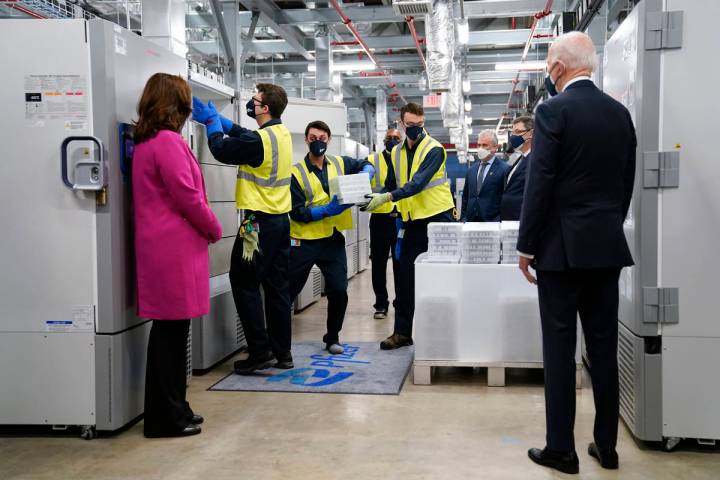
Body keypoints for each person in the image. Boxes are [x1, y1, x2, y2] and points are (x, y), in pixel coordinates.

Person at [517, 31, 636, 475]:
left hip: (560, 253)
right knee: (603, 349)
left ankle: (561, 449)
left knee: (560, 349)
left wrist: (526, 246)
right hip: (606, 248)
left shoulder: (552, 110)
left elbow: (540, 183)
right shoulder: (619, 114)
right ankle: (607, 445)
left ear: (559, 67)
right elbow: (626, 181)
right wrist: (606, 225)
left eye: (549, 62)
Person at [132, 73, 223, 438]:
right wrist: (215, 227)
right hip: (173, 248)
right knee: (170, 335)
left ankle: (175, 407)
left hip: (163, 246)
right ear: (176, 104)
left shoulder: (146, 141)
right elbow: (188, 195)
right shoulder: (167, 142)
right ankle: (164, 417)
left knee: (171, 332)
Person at [192, 84, 294, 375]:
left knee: (243, 280)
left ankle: (260, 352)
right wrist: (227, 123)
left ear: (265, 108)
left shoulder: (260, 140)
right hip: (279, 222)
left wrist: (213, 125)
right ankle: (282, 352)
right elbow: (249, 138)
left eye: (256, 100)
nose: (252, 103)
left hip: (256, 224)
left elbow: (222, 150)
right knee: (277, 287)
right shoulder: (280, 134)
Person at [363, 102, 455, 350]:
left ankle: (446, 336)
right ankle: (402, 333)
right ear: (401, 123)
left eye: (420, 125)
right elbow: (392, 183)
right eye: (410, 125)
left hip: (439, 219)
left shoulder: (434, 149)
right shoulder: (396, 153)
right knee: (406, 278)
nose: (415, 129)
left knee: (443, 278)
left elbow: (416, 184)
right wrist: (368, 196)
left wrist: (387, 198)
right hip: (413, 223)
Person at [289, 121, 375, 354]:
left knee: (338, 290)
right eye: (313, 137)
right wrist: (326, 210)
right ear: (306, 139)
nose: (318, 141)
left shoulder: (340, 163)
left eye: (323, 137)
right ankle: (275, 339)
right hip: (303, 240)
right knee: (287, 291)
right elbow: (296, 211)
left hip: (332, 240)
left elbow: (366, 163)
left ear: (328, 140)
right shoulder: (295, 172)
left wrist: (367, 171)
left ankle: (332, 337)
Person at [367, 128, 402, 319]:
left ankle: (400, 302)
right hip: (380, 217)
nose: (393, 141)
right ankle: (381, 304)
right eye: (390, 138)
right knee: (379, 264)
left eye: (397, 138)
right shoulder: (373, 160)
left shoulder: (406, 159)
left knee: (400, 263)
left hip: (400, 217)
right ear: (383, 140)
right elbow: (365, 182)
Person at [460, 130, 509, 222]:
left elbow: (507, 199)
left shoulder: (504, 169)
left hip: (493, 223)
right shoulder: (471, 170)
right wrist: (463, 217)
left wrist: (500, 219)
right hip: (471, 222)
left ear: (495, 147)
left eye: (485, 145)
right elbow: (466, 197)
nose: (481, 148)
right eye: (479, 145)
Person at [501, 116, 534, 221]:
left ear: (531, 133)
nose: (513, 137)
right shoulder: (520, 158)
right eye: (513, 133)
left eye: (518, 132)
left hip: (523, 219)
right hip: (510, 219)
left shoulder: (536, 161)